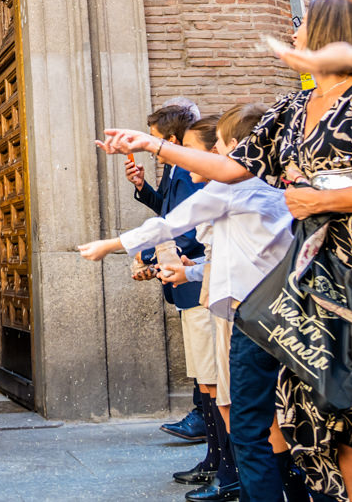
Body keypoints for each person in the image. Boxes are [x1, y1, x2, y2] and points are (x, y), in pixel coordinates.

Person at [99, 0, 352, 501]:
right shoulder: (293, 107)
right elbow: (230, 168)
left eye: (304, 24)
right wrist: (152, 144)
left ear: (334, 32)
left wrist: (322, 199)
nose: (294, 31)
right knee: (334, 429)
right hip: (318, 280)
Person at [85, 104, 310, 502]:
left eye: (209, 148)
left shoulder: (232, 187)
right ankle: (288, 488)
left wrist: (111, 245)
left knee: (247, 421)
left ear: (233, 149)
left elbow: (171, 223)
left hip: (246, 314)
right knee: (269, 419)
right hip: (271, 308)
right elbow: (232, 255)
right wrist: (189, 272)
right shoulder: (270, 185)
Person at [128, 101, 211, 444]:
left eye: (155, 140)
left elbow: (190, 228)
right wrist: (143, 188)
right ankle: (204, 419)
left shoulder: (191, 175)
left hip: (193, 273)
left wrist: (147, 252)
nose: (153, 148)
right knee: (197, 354)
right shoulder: (174, 171)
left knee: (204, 357)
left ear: (173, 140)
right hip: (180, 274)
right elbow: (167, 211)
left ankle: (203, 419)